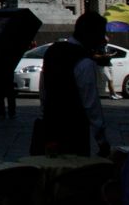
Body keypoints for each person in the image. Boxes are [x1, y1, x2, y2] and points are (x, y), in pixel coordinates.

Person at [40, 11, 110, 157]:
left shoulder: (52, 51)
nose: (103, 39)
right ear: (91, 34)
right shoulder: (84, 61)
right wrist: (102, 140)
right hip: (74, 131)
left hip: (50, 128)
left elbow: (43, 90)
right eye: (101, 34)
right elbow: (91, 104)